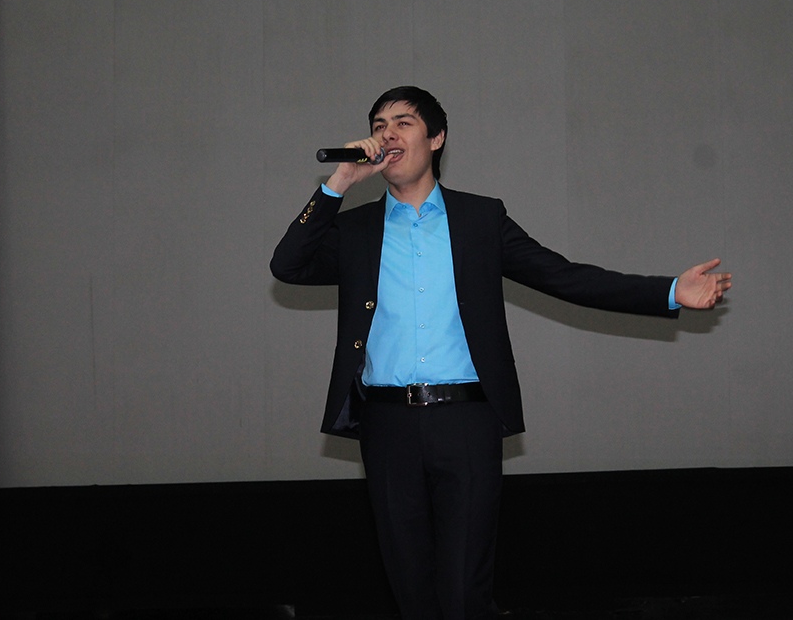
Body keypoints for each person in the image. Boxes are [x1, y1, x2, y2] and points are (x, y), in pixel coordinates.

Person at [270, 86, 732, 619]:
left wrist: (669, 291)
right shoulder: (355, 229)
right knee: (411, 590)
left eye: (402, 123)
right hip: (386, 424)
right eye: (378, 125)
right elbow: (288, 265)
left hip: (467, 420)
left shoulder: (479, 220)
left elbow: (563, 276)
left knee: (464, 592)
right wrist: (339, 183)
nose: (386, 134)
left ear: (437, 138)